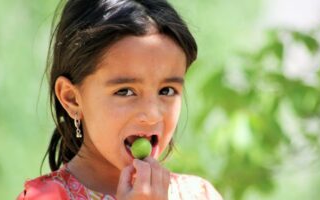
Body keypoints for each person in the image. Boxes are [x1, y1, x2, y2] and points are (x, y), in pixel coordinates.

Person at [17, 0, 223, 199]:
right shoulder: (46, 197)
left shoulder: (200, 194)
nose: (152, 115)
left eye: (167, 91)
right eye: (125, 91)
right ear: (72, 98)